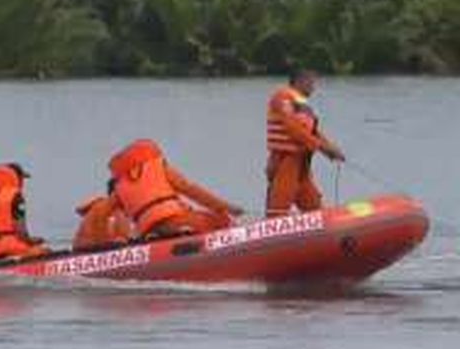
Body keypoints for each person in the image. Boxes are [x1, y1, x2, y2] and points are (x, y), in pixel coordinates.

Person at [108, 139, 244, 238]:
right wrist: (226, 208)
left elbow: (101, 213)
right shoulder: (159, 168)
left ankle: (163, 236)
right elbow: (191, 190)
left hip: (147, 231)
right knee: (221, 221)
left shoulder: (119, 188)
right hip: (177, 221)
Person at [265, 69, 345, 217]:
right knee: (277, 214)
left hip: (302, 166)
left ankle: (327, 236)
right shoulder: (283, 97)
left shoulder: (303, 105)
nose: (313, 87)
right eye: (311, 82)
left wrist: (330, 147)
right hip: (285, 162)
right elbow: (293, 128)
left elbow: (312, 132)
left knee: (316, 212)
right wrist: (323, 148)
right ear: (299, 81)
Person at [72, 179, 133, 251]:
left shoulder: (120, 212)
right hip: (88, 251)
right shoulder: (105, 209)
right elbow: (104, 240)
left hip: (91, 250)